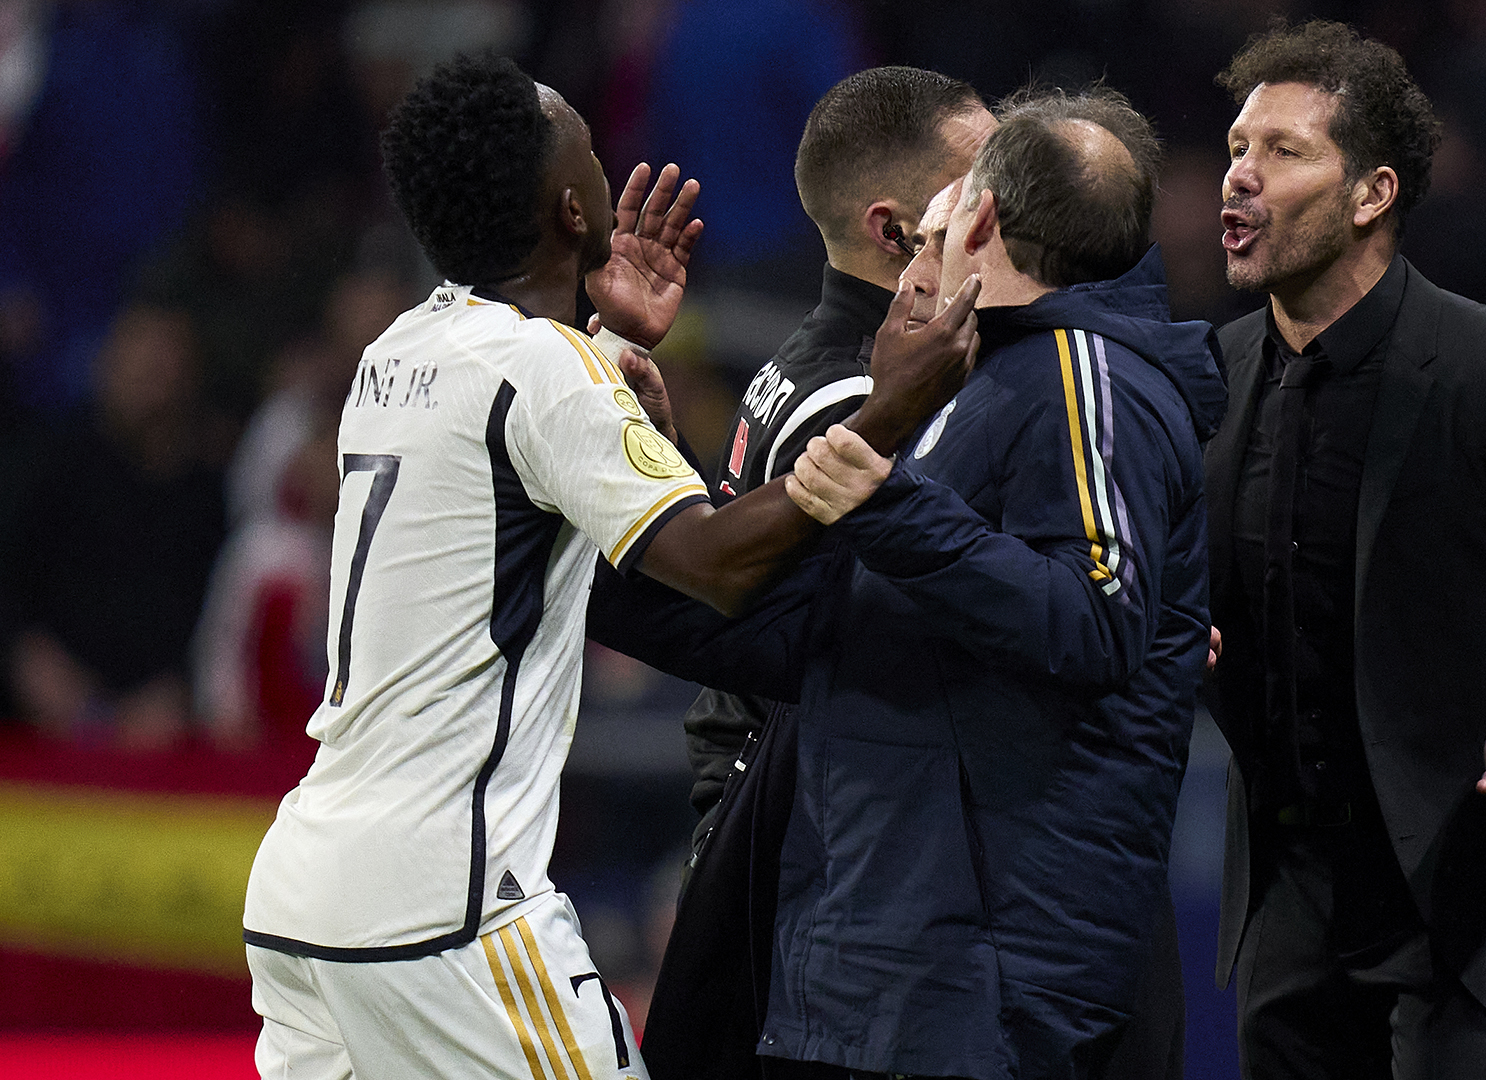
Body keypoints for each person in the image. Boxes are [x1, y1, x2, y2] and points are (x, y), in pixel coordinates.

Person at [239, 54, 978, 1080]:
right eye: (589, 146)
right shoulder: (547, 373)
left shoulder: (397, 351)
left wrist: (608, 345)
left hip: (302, 891)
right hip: (445, 903)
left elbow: (518, 467)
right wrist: (887, 410)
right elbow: (717, 567)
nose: (606, 155)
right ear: (573, 208)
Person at [731, 84, 1224, 1079]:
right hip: (895, 954)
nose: (915, 262)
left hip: (985, 977)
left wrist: (887, 506)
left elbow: (1095, 619)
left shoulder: (1085, 374)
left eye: (932, 231)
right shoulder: (982, 377)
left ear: (982, 218)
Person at [1202, 19, 1486, 1078]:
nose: (1240, 175)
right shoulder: (1211, 378)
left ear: (1372, 194)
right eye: (1236, 147)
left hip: (1473, 891)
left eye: (1283, 150)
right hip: (1289, 901)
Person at [681, 65, 995, 847]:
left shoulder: (806, 359)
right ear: (894, 232)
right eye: (983, 186)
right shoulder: (858, 402)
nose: (1011, 204)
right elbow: (913, 648)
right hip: (817, 837)